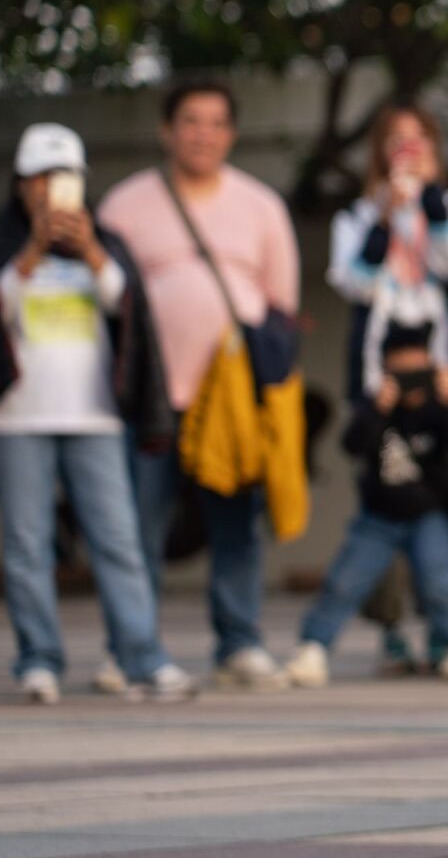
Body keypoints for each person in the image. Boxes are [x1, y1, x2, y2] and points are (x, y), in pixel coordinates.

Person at [0, 124, 195, 704]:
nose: (52, 190)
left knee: (118, 541)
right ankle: (39, 659)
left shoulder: (108, 242)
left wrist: (91, 249)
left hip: (94, 416)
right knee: (27, 546)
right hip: (15, 418)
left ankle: (141, 657)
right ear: (20, 185)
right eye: (41, 178)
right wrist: (32, 253)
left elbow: (126, 305)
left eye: (64, 178)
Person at [101, 79, 301, 692]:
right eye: (190, 121)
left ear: (231, 135)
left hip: (231, 401)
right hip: (155, 398)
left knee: (235, 524)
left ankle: (238, 643)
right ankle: (130, 648)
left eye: (216, 123)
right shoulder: (123, 205)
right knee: (140, 525)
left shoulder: (262, 205)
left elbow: (281, 305)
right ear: (167, 130)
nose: (202, 133)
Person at [284, 326, 448, 688]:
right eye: (401, 373)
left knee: (442, 581)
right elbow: (351, 446)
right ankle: (313, 647)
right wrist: (377, 407)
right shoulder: (374, 404)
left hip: (429, 514)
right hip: (378, 516)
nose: (411, 383)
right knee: (344, 582)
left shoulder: (439, 406)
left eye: (417, 373)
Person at [327, 104, 448, 406]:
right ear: (380, 149)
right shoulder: (356, 217)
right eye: (398, 138)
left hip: (443, 356)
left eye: (420, 137)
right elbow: (356, 286)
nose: (410, 147)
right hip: (380, 362)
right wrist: (384, 221)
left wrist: (431, 200)